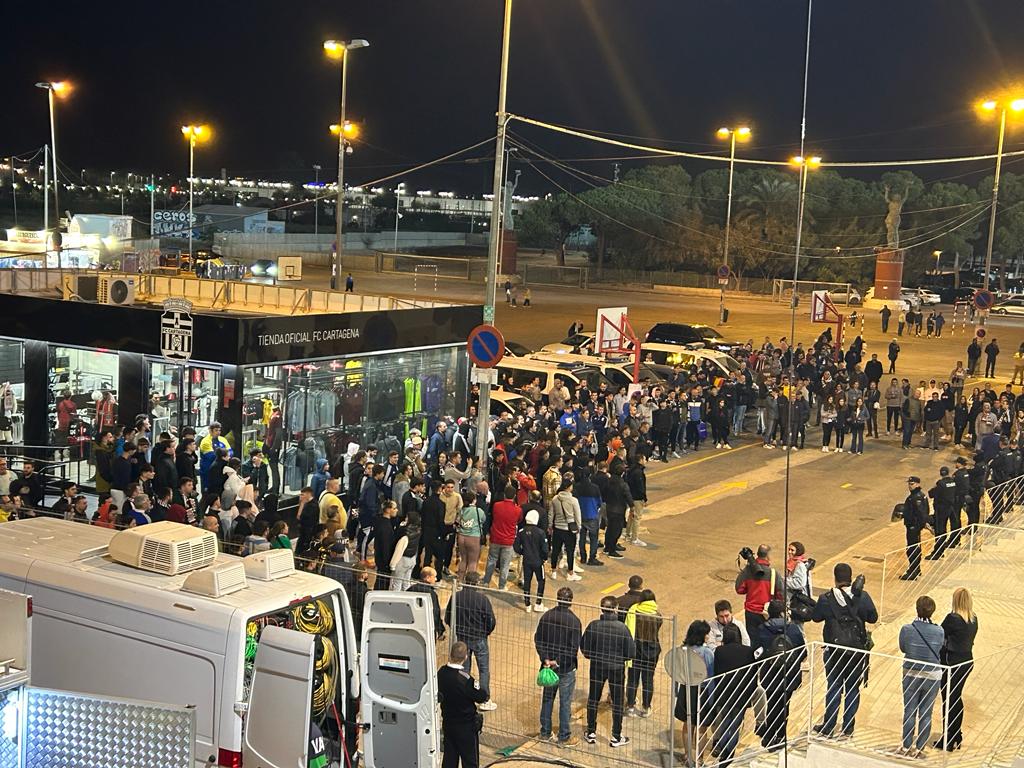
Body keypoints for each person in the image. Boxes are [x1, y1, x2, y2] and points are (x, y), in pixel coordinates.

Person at [811, 563, 878, 738]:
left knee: (834, 686)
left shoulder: (826, 598)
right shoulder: (862, 597)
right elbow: (873, 617)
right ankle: (848, 728)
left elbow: (816, 617)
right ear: (850, 577)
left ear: (835, 578)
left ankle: (828, 725)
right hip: (856, 651)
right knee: (852, 688)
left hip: (834, 650)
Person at [580, 595, 635, 748]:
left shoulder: (593, 625)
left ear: (602, 609)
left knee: (593, 698)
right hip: (617, 668)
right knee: (617, 702)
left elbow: (584, 647)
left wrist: (592, 656)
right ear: (615, 608)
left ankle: (591, 732)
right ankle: (616, 736)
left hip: (597, 666)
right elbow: (631, 652)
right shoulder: (622, 628)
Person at [754, 600, 806, 752]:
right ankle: (781, 737)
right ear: (783, 613)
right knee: (785, 706)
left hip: (769, 676)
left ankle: (769, 737)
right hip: (789, 676)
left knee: (771, 705)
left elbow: (756, 653)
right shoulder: (794, 630)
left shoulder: (762, 630)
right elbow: (803, 653)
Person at [534, 586, 582, 746]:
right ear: (571, 601)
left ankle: (545, 732)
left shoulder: (547, 616)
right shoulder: (574, 621)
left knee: (547, 699)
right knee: (565, 702)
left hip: (548, 667)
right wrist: (558, 661)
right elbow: (573, 648)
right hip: (565, 668)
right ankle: (564, 736)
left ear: (557, 598)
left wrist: (546, 658)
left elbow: (538, 639)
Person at [898, 595, 945, 757]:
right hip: (932, 675)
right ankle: (919, 748)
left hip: (911, 672)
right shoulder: (939, 631)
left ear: (916, 609)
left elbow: (903, 648)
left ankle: (905, 746)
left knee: (909, 710)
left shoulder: (907, 629)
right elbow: (939, 648)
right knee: (926, 713)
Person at [445, 572, 497, 711]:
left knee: (464, 669)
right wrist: (486, 632)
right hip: (479, 638)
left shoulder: (456, 597)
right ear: (477, 583)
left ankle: (464, 695)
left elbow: (448, 617)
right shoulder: (482, 599)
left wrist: (457, 629)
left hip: (462, 638)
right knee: (484, 670)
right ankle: (485, 699)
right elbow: (491, 620)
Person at [937, 587, 978, 751]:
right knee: (955, 698)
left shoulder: (952, 618)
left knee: (948, 700)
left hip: (951, 663)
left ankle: (948, 737)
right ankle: (956, 734)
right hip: (966, 661)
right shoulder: (973, 618)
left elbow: (940, 634)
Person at [437, 641, 489, 768]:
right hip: (465, 726)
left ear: (450, 655)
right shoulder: (465, 679)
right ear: (465, 657)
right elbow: (481, 696)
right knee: (470, 760)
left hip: (448, 723)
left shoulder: (441, 673)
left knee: (450, 758)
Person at [712, 623, 758, 765]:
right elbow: (753, 674)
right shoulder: (749, 651)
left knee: (725, 722)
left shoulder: (719, 651)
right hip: (741, 694)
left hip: (724, 694)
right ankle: (728, 755)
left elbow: (716, 673)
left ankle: (723, 751)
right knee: (735, 726)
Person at [625, 588, 662, 718]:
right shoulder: (657, 616)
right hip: (651, 652)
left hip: (635, 651)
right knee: (648, 681)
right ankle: (646, 707)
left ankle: (630, 706)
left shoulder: (634, 610)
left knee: (632, 679)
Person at [735, 544, 783, 640]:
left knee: (752, 640)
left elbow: (739, 589)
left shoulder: (748, 571)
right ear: (768, 556)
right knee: (767, 640)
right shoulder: (773, 573)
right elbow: (781, 595)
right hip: (767, 613)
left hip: (751, 613)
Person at [482, 485, 519, 589]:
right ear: (515, 496)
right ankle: (501, 586)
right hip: (508, 540)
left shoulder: (496, 505)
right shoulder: (517, 510)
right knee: (505, 564)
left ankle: (486, 582)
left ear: (504, 494)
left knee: (491, 560)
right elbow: (518, 520)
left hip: (495, 537)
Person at [514, 508, 549, 611]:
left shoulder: (521, 531)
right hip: (538, 561)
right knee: (541, 581)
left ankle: (527, 604)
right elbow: (545, 549)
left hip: (527, 561)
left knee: (527, 582)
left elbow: (516, 546)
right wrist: (544, 558)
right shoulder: (541, 532)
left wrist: (522, 552)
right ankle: (538, 603)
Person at [549, 475, 582, 581]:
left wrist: (550, 526)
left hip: (557, 529)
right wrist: (578, 527)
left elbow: (551, 514)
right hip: (569, 529)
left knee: (555, 551)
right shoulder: (573, 500)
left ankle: (553, 571)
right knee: (570, 552)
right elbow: (577, 516)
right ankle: (570, 573)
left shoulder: (555, 499)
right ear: (569, 487)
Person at [901, 476, 930, 580]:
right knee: (912, 549)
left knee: (913, 549)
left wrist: (920, 525)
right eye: (909, 484)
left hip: (914, 527)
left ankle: (914, 571)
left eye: (912, 484)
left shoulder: (917, 497)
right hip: (912, 526)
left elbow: (922, 513)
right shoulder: (916, 495)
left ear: (918, 484)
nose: (910, 486)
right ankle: (914, 569)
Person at [927, 468, 958, 560]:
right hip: (950, 508)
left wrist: (933, 487)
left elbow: (931, 494)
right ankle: (941, 549)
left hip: (941, 510)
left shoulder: (940, 484)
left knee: (940, 531)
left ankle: (938, 552)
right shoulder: (953, 482)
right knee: (943, 529)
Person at [455, 490, 486, 580]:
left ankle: (459, 581)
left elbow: (457, 521)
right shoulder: (478, 511)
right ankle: (470, 583)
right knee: (473, 561)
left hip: (462, 536)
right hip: (474, 537)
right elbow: (483, 520)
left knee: (463, 560)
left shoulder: (462, 510)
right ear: (474, 500)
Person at [625, 453, 649, 546]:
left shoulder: (631, 470)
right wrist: (644, 498)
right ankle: (634, 539)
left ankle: (628, 534)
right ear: (640, 460)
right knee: (637, 517)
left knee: (631, 516)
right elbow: (640, 487)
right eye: (644, 459)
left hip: (631, 496)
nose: (646, 461)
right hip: (637, 497)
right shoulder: (638, 472)